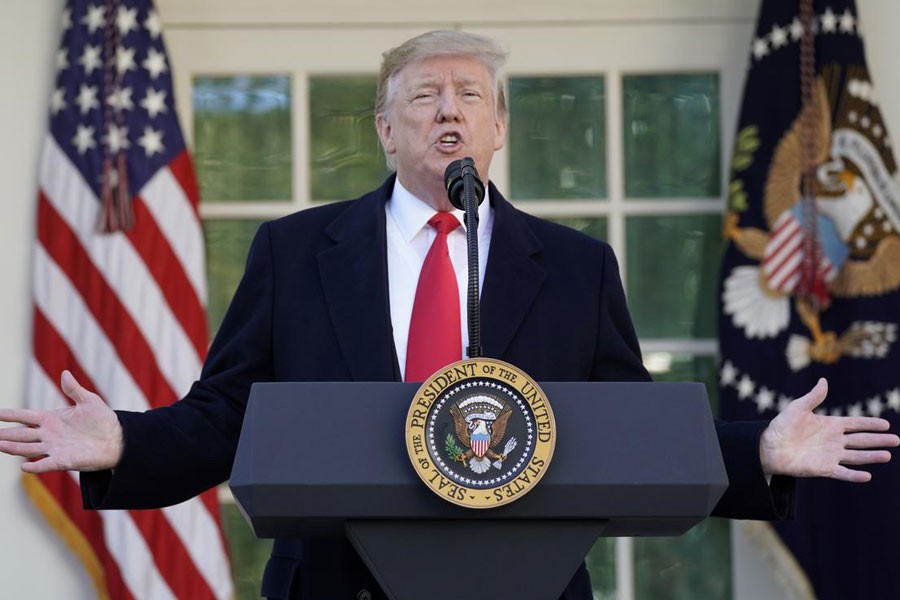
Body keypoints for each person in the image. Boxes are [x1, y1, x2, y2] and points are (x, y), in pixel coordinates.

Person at [1, 30, 897, 600]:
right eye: (424, 95)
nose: (449, 110)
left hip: (527, 584)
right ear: (387, 130)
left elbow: (630, 433)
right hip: (334, 584)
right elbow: (229, 417)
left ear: (499, 128)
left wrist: (759, 453)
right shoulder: (294, 251)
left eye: (470, 95)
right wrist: (124, 442)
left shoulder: (578, 266)